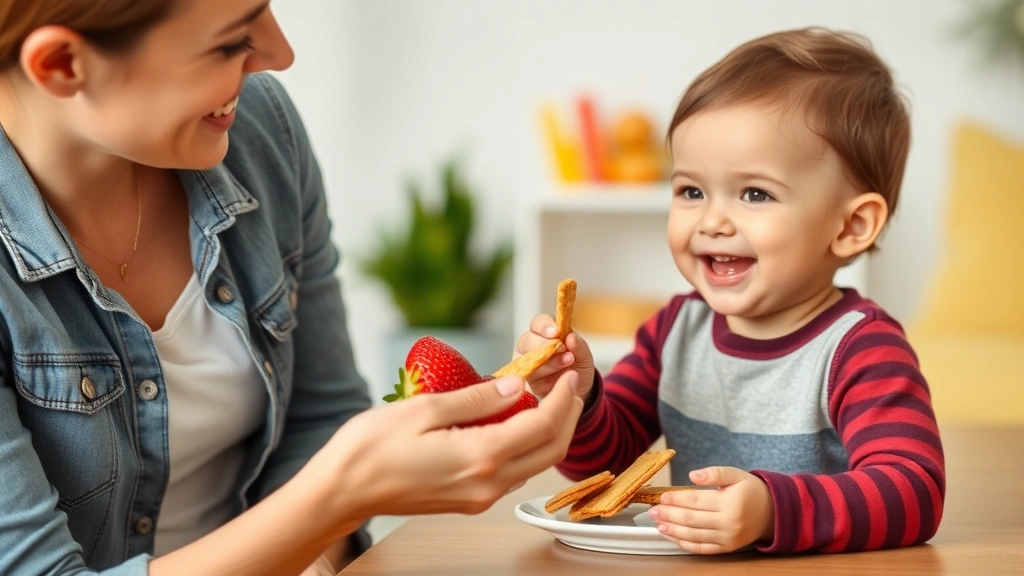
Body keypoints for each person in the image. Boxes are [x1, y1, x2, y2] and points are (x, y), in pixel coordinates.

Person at [0, 1, 584, 575]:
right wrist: (336, 496)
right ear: (62, 65)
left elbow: (318, 414)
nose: (280, 54)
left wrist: (319, 556)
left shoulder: (258, 131)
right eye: (230, 40)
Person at [517, 27, 945, 555]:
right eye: (691, 190)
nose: (712, 220)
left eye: (755, 193)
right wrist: (577, 398)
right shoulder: (675, 329)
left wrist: (770, 510)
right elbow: (604, 465)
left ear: (851, 226)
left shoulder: (861, 350)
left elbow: (914, 491)